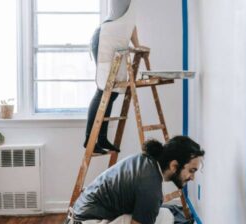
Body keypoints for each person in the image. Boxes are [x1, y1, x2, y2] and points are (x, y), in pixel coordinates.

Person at [68, 136, 205, 224]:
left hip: (79, 217)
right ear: (174, 165)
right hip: (87, 221)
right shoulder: (150, 189)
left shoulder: (144, 160)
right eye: (191, 171)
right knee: (164, 218)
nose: (192, 178)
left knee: (164, 214)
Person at [84, 0, 140, 154]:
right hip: (104, 40)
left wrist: (138, 45)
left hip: (114, 42)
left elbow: (131, 25)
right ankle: (89, 139)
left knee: (113, 91)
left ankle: (101, 138)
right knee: (103, 89)